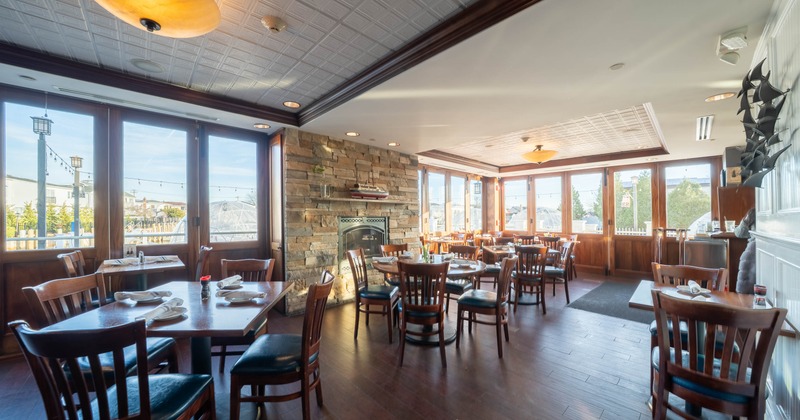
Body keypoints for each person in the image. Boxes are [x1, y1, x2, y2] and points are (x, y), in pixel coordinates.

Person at [734, 208, 756, 294]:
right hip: (761, 252)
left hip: (752, 253)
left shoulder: (754, 212)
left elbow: (739, 233)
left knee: (744, 292)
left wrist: (746, 220)